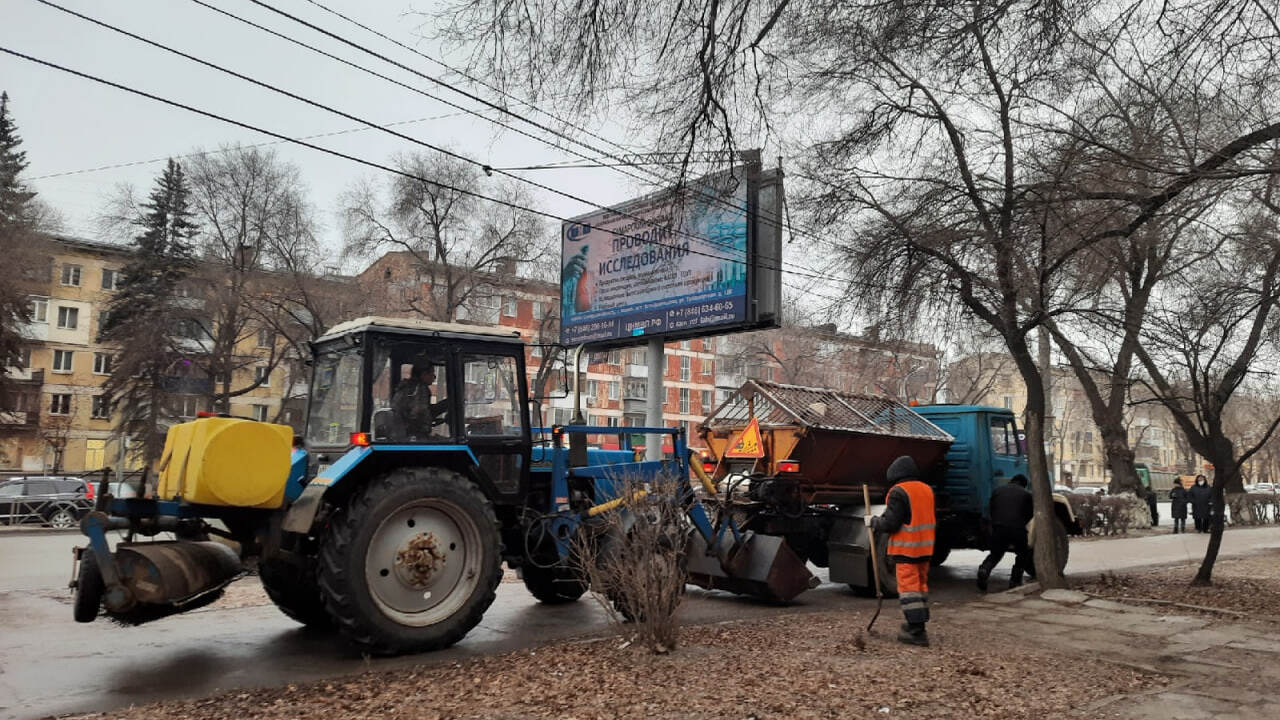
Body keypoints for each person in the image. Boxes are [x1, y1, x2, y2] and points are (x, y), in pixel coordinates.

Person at [867, 455, 936, 647]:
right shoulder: (926, 489)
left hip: (907, 550)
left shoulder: (899, 492)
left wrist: (873, 522)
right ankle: (918, 624)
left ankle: (916, 631)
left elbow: (890, 523)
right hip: (925, 548)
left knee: (909, 590)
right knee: (920, 588)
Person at [977, 476, 1034, 592]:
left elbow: (991, 510)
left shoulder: (998, 491)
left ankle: (984, 569)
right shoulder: (1026, 494)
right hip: (1017, 529)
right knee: (1023, 554)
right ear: (1023, 484)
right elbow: (1030, 513)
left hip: (999, 528)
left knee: (996, 553)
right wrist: (1021, 523)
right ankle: (1015, 580)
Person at [391, 362, 450, 440]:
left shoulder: (405, 387)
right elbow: (421, 413)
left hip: (404, 435)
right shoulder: (420, 389)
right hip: (416, 437)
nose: (434, 377)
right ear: (424, 374)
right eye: (432, 373)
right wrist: (449, 403)